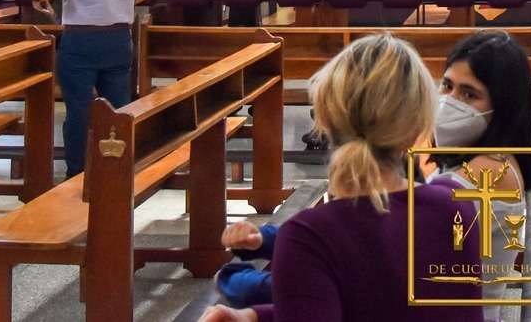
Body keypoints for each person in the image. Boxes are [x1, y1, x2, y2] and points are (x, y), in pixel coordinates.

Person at [200, 32, 486, 322]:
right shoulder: (455, 207)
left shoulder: (309, 235)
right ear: (416, 130)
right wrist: (254, 316)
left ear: (325, 120)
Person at [32, 0, 148, 177]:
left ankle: (78, 174)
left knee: (79, 111)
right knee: (117, 109)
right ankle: (116, 173)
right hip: (119, 39)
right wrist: (116, 2)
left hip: (81, 40)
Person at [425, 30, 531, 294]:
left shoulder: (488, 171)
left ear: (503, 107)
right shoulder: (495, 156)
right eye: (447, 86)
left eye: (469, 95)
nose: (449, 102)